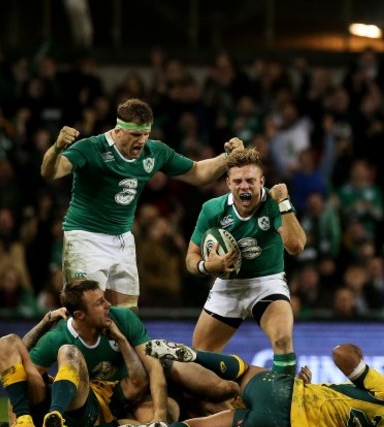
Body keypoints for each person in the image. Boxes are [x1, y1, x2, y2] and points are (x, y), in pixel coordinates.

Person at [40, 98, 242, 311]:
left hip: (123, 240)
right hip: (85, 239)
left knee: (127, 316)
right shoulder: (91, 148)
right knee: (86, 313)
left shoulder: (154, 152)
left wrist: (228, 157)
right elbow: (50, 172)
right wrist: (57, 148)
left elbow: (198, 173)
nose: (142, 141)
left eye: (146, 134)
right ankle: (62, 344)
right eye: (136, 135)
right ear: (118, 131)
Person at [0, 280, 241, 427]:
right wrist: (15, 422)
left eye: (105, 299)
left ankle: (242, 390)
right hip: (113, 402)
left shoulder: (122, 319)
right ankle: (31, 424)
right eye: (100, 302)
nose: (108, 306)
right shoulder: (58, 337)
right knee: (12, 343)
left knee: (218, 390)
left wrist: (160, 416)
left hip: (155, 377)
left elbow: (151, 367)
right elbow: (20, 373)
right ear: (80, 315)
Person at [112, 340, 384, 427]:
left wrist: (354, 352)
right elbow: (332, 411)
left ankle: (194, 355)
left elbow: (340, 354)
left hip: (282, 396)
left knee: (246, 371)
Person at [185, 145, 306, 375]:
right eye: (238, 181)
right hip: (228, 285)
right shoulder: (212, 210)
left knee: (282, 340)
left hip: (266, 283)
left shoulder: (273, 203)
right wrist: (206, 266)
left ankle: (284, 402)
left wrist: (284, 203)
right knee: (200, 356)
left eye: (250, 180)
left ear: (262, 182)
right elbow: (191, 258)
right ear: (228, 183)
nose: (244, 186)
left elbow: (296, 246)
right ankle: (226, 393)